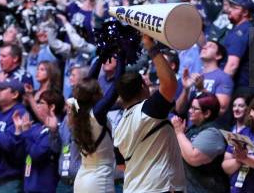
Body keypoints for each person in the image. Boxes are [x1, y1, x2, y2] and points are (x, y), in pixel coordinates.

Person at [114, 36, 186, 193]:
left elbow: (121, 166)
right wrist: (150, 46)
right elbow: (170, 84)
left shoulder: (118, 127)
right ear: (143, 86)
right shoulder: (147, 111)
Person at [71, 54, 125, 193]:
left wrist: (101, 57)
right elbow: (116, 87)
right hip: (99, 179)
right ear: (96, 94)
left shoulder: (76, 108)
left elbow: (87, 84)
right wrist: (122, 56)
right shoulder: (97, 113)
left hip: (81, 178)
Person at [172, 92, 229, 193]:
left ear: (207, 113)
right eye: (190, 107)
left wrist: (179, 133)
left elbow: (193, 158)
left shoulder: (213, 133)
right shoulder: (192, 128)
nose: (190, 111)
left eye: (194, 108)